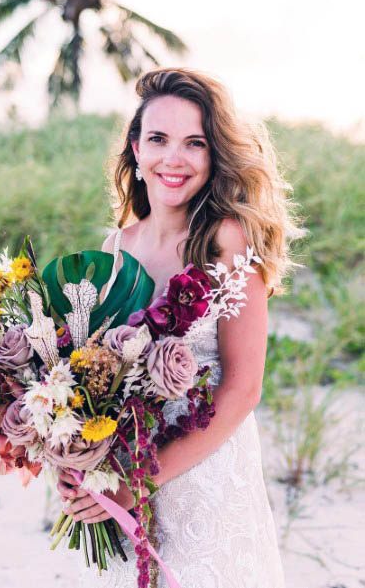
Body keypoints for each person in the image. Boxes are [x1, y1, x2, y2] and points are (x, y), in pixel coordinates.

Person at [57, 68, 303, 587]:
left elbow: (243, 389)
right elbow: (97, 376)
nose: (174, 158)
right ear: (136, 148)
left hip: (204, 471)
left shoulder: (228, 241)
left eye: (194, 143)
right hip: (124, 467)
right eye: (159, 139)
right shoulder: (116, 247)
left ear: (214, 155)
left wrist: (136, 485)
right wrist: (76, 459)